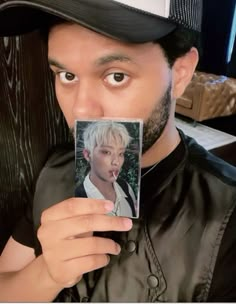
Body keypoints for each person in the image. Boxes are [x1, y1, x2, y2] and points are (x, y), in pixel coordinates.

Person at [0, 0, 236, 302]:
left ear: (180, 74)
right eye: (67, 76)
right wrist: (46, 274)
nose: (81, 108)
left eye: (116, 76)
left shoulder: (227, 218)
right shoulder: (55, 171)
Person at [75, 120, 137, 217]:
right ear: (87, 155)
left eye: (121, 153)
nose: (116, 161)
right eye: (106, 152)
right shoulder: (78, 197)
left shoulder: (126, 188)